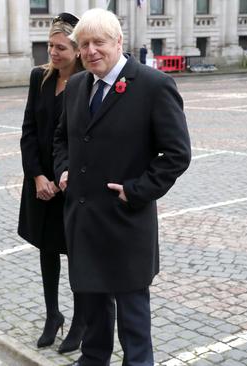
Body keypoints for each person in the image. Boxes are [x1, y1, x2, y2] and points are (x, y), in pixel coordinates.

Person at [53, 9, 191, 366]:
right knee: (94, 315)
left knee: (133, 323)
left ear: (118, 42)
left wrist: (137, 190)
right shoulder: (77, 86)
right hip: (84, 222)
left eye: (99, 42)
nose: (91, 50)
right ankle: (93, 359)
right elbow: (62, 138)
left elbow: (176, 154)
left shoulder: (153, 85)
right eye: (84, 44)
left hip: (125, 221)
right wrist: (64, 168)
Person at [18, 12, 85, 354]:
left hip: (71, 185)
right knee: (47, 251)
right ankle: (52, 315)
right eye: (50, 46)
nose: (53, 53)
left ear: (76, 50)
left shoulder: (86, 83)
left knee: (76, 254)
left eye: (60, 47)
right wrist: (38, 176)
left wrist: (62, 177)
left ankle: (79, 322)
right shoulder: (39, 78)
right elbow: (28, 132)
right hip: (41, 183)